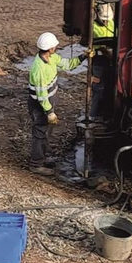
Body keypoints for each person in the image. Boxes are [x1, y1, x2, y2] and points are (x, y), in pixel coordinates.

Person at [26, 32, 84, 171]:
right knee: (40, 132)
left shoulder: (51, 58)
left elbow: (67, 64)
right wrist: (49, 111)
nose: (56, 48)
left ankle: (44, 156)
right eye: (55, 46)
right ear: (51, 48)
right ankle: (36, 164)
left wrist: (83, 56)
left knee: (47, 130)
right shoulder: (38, 68)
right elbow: (41, 95)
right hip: (40, 105)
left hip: (48, 101)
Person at [88, 3, 115, 120]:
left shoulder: (112, 23)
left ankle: (107, 114)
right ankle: (94, 116)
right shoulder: (93, 27)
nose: (106, 23)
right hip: (99, 60)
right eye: (103, 20)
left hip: (111, 59)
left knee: (111, 87)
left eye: (107, 20)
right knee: (99, 89)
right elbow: (102, 48)